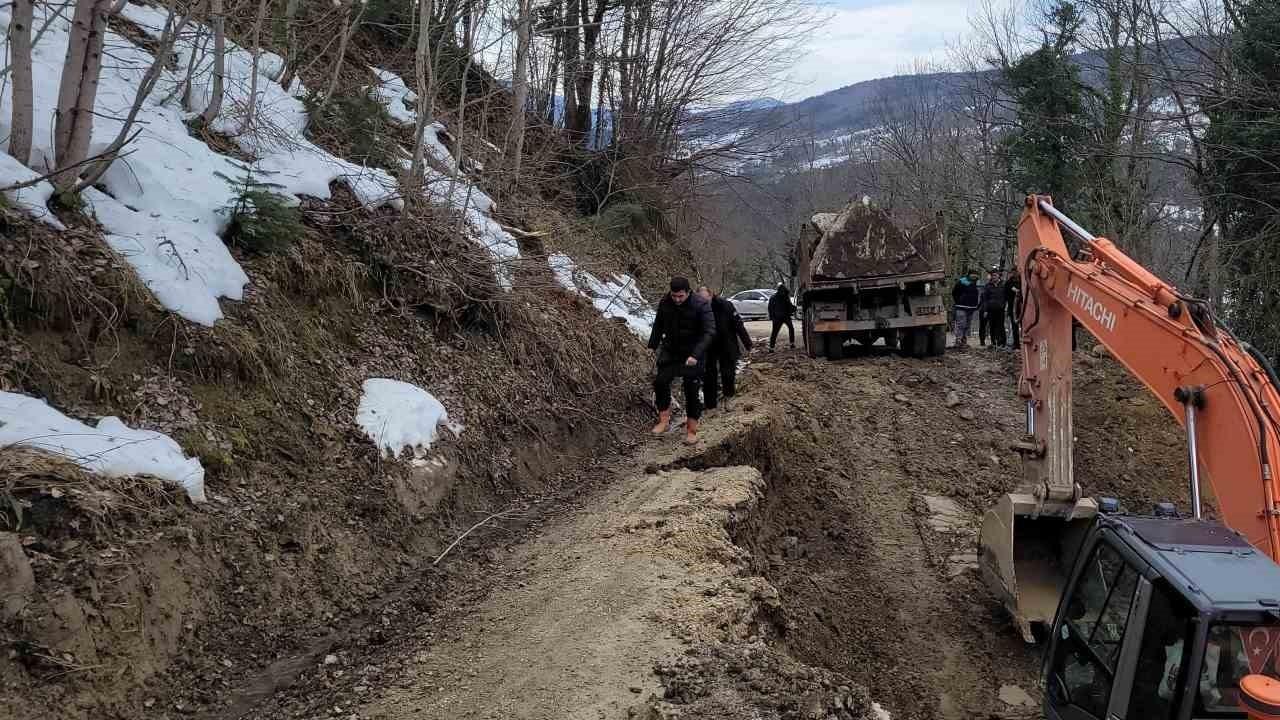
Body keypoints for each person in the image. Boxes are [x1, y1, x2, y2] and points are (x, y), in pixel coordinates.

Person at [647, 277, 716, 445]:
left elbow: (709, 332)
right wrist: (652, 346)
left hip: (693, 352)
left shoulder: (701, 304)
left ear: (688, 292)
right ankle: (664, 420)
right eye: (674, 296)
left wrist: (696, 355)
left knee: (691, 388)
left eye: (681, 296)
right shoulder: (665, 302)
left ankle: (692, 430)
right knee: (660, 382)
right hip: (671, 350)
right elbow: (658, 325)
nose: (677, 299)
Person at [697, 286, 753, 413]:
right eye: (700, 300)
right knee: (709, 374)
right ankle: (710, 404)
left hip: (726, 342)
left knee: (728, 373)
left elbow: (738, 325)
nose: (703, 302)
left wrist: (748, 344)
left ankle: (729, 397)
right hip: (708, 345)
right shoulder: (697, 308)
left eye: (705, 299)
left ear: (711, 295)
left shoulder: (725, 306)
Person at [979, 267, 1008, 349]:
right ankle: (994, 342)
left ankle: (1002, 342)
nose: (994, 277)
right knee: (992, 325)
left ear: (999, 276)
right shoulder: (988, 286)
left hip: (1000, 309)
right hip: (991, 309)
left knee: (1000, 325)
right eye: (992, 275)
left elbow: (1006, 297)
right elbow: (985, 299)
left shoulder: (1003, 285)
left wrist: (1006, 306)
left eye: (995, 275)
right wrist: (985, 310)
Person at [951, 269, 981, 348]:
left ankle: (964, 341)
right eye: (973, 274)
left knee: (967, 325)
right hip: (961, 307)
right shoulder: (962, 281)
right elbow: (954, 292)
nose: (975, 276)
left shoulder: (975, 282)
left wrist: (976, 305)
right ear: (969, 274)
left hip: (971, 308)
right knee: (961, 324)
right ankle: (958, 341)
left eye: (976, 274)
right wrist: (958, 301)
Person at [768, 283, 796, 350]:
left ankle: (771, 347)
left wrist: (772, 317)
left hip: (777, 317)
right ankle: (792, 344)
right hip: (785, 316)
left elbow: (770, 308)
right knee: (791, 329)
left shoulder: (773, 297)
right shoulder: (785, 296)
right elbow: (789, 306)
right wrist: (794, 309)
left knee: (774, 332)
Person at [1004, 270, 1022, 348]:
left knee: (1023, 325)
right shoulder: (1009, 283)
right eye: (1013, 273)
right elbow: (1008, 292)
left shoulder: (1022, 281)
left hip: (1023, 306)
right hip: (1012, 306)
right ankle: (1016, 343)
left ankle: (1022, 342)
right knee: (1014, 326)